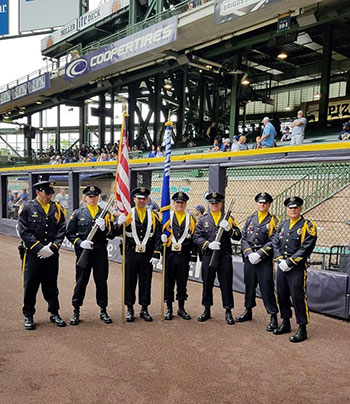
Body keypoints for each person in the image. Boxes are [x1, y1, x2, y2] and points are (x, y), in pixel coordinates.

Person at [17, 181, 66, 330]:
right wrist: (38, 248)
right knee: (30, 285)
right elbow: (24, 231)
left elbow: (61, 228)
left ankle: (54, 312)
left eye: (51, 193)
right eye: (46, 193)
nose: (49, 196)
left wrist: (53, 246)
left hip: (51, 253)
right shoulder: (27, 207)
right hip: (33, 254)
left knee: (51, 285)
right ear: (38, 192)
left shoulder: (56, 208)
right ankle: (28, 315)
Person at [66, 185, 115, 326]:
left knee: (101, 281)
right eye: (90, 196)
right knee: (81, 282)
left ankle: (103, 309)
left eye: (95, 196)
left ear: (98, 197)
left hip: (100, 252)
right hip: (84, 252)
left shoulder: (106, 213)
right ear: (85, 198)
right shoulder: (78, 213)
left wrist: (104, 228)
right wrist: (80, 243)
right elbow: (69, 233)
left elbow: (111, 234)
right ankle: (76, 310)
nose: (92, 199)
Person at [272, 196, 317, 343]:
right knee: (281, 294)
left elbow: (306, 248)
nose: (293, 209)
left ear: (300, 208)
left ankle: (302, 327)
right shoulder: (283, 225)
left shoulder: (307, 226)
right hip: (281, 265)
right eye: (290, 207)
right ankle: (285, 321)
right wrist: (279, 260)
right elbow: (275, 242)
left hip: (296, 267)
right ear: (287, 209)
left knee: (298, 296)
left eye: (295, 207)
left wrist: (290, 262)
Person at [193, 192, 241, 324]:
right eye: (212, 203)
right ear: (209, 204)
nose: (214, 205)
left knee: (226, 284)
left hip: (224, 257)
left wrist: (229, 229)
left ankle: (228, 311)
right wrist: (208, 244)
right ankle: (206, 310)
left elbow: (238, 235)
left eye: (217, 203)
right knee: (207, 283)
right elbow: (196, 237)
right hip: (209, 256)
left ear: (221, 204)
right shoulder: (203, 220)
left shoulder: (229, 218)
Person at [236, 193, 280, 331]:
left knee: (267, 287)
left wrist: (260, 254)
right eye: (260, 202)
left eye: (265, 203)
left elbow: (275, 240)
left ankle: (273, 315)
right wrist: (249, 253)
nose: (262, 205)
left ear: (269, 205)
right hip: (250, 258)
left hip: (264, 259)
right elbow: (243, 238)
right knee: (249, 285)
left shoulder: (274, 220)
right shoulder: (250, 219)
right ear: (256, 203)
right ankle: (248, 310)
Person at [116, 187, 161, 322]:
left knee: (146, 281)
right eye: (138, 198)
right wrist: (118, 224)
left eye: (144, 198)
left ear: (148, 200)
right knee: (129, 281)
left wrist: (156, 254)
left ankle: (144, 308)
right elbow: (116, 232)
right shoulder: (128, 214)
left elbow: (157, 236)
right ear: (134, 199)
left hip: (147, 254)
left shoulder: (153, 216)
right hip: (131, 253)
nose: (141, 201)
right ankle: (129, 308)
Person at [162, 192, 197, 320]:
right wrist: (162, 242)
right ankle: (169, 308)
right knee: (168, 283)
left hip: (184, 256)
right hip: (170, 255)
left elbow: (194, 239)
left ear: (185, 204)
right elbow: (160, 234)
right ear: (173, 203)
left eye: (182, 202)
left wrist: (194, 256)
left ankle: (181, 308)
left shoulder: (191, 219)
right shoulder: (167, 217)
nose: (179, 204)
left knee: (182, 283)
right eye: (177, 202)